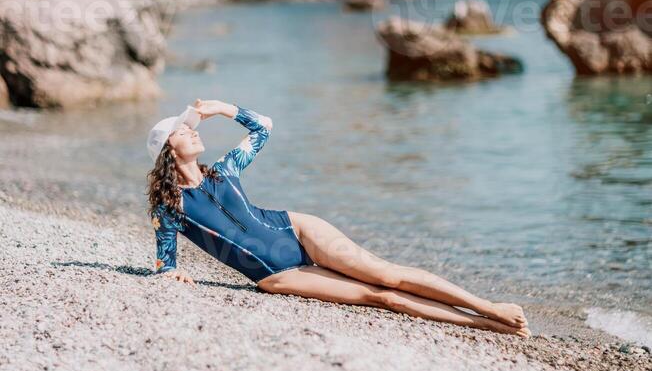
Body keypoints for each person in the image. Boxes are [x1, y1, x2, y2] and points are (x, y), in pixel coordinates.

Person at [146, 99, 530, 338]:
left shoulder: (225, 170)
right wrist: (170, 274)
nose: (193, 133)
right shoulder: (170, 205)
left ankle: (487, 305)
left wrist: (225, 109)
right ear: (167, 150)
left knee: (387, 274)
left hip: (295, 228)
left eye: (192, 128)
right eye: (183, 131)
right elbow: (166, 262)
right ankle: (484, 324)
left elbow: (263, 127)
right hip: (277, 275)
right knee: (382, 297)